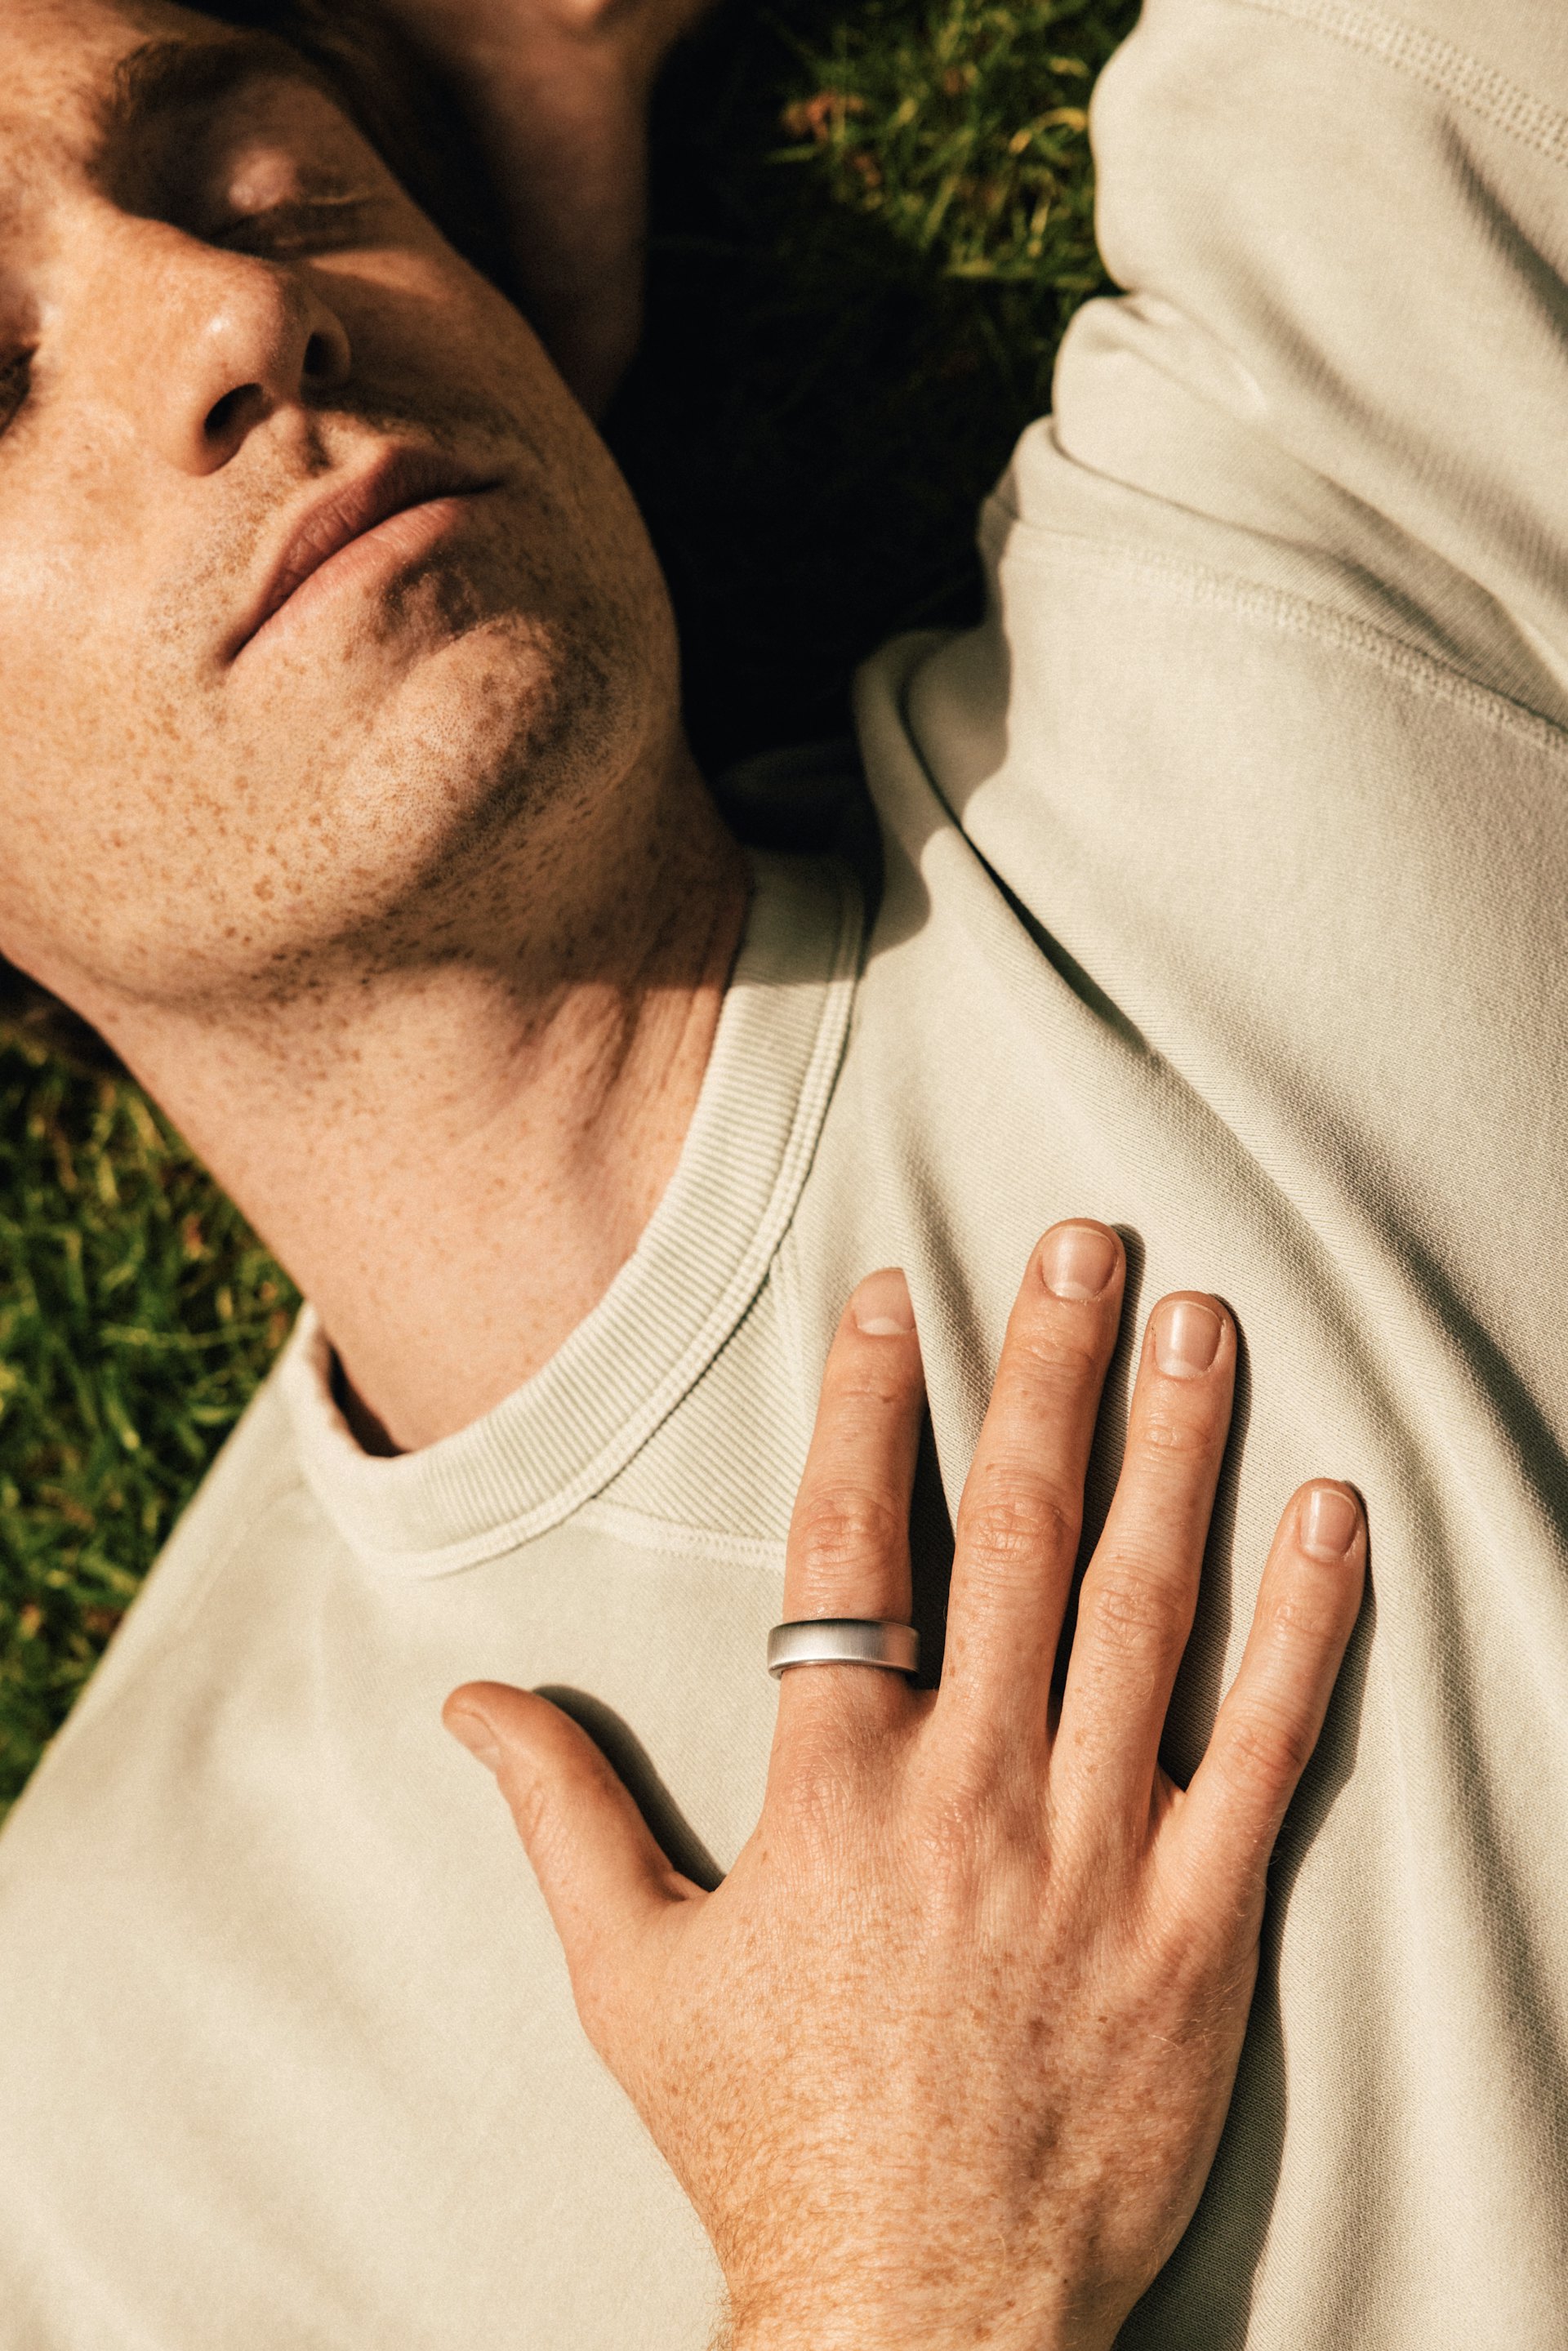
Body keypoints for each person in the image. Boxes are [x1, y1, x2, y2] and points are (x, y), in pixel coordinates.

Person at [0, 0, 1562, 2344]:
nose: (235, 310)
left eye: (274, 172)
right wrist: (901, 2265)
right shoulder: (102, 2134)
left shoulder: (1312, 519)